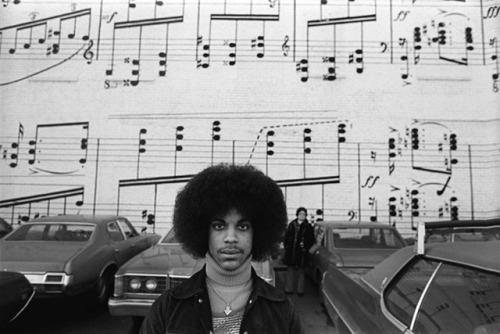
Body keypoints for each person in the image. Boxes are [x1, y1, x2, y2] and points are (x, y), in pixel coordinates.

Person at [140, 163, 304, 334]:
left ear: (258, 232)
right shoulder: (168, 307)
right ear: (204, 231)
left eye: (243, 227)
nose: (231, 238)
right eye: (219, 226)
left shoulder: (282, 310)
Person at [283, 207, 314, 296]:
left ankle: (300, 290)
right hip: (292, 251)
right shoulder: (292, 224)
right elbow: (286, 237)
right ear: (297, 215)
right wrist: (287, 246)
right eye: (300, 214)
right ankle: (289, 289)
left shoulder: (308, 226)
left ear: (305, 216)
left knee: (301, 271)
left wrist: (305, 246)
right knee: (290, 270)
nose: (302, 216)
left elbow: (311, 239)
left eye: (304, 214)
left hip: (302, 252)